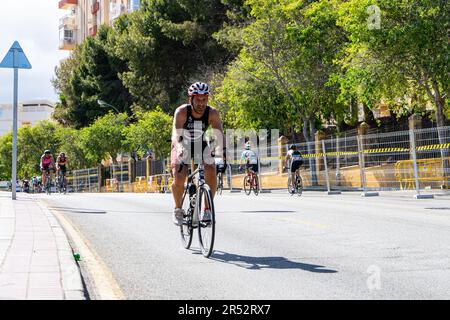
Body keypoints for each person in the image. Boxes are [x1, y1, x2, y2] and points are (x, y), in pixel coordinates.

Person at [170, 82, 226, 226]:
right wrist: (180, 148)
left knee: (211, 169)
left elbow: (219, 134)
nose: (201, 103)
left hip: (200, 143)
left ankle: (206, 208)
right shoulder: (182, 112)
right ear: (191, 99)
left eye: (204, 99)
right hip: (181, 143)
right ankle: (178, 209)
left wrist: (222, 152)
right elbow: (176, 134)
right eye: (198, 100)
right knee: (179, 175)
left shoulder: (212, 113)